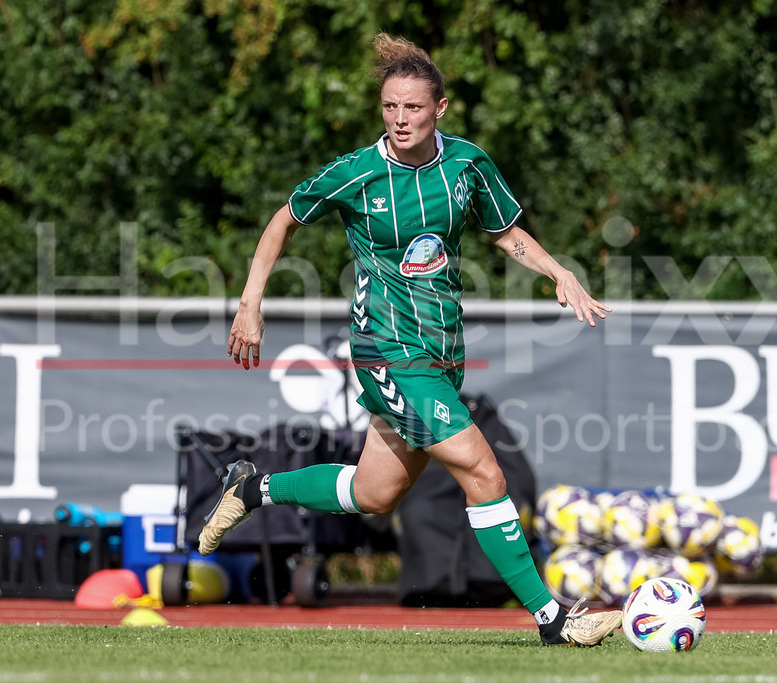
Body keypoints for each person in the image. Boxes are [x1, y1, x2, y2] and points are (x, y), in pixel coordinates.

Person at [199, 33, 618, 646]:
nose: (400, 119)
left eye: (413, 107)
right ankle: (553, 620)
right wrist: (249, 305)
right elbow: (284, 218)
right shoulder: (358, 172)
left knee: (375, 493)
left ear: (439, 109)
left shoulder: (468, 164)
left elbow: (505, 232)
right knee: (484, 473)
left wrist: (560, 273)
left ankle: (252, 486)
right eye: (390, 106)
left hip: (443, 349)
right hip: (387, 347)